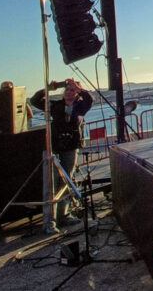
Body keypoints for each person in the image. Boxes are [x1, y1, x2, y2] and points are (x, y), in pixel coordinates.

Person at [30, 78, 93, 230]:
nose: (69, 93)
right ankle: (49, 221)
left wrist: (78, 87)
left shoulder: (80, 106)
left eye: (72, 91)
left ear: (77, 93)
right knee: (50, 183)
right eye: (67, 90)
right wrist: (49, 88)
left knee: (65, 180)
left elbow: (90, 98)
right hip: (54, 146)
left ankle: (63, 214)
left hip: (70, 146)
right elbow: (35, 100)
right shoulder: (55, 105)